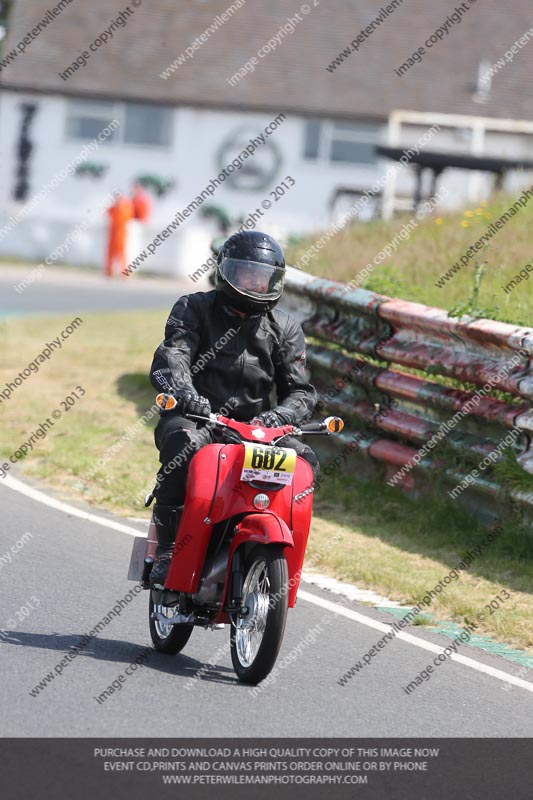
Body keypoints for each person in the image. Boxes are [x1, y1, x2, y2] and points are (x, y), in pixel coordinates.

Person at [148, 230, 319, 588]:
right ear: (226, 272)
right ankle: (167, 550)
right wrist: (187, 394)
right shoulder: (193, 308)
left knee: (304, 460)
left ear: (275, 280)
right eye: (246, 274)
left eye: (262, 276)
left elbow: (301, 392)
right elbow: (173, 357)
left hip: (258, 431)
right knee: (185, 444)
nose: (254, 283)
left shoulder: (285, 327)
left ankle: (277, 549)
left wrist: (279, 418)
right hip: (198, 418)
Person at [105, 193, 134, 277]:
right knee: (110, 254)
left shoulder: (126, 208)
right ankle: (109, 271)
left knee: (121, 255)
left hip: (121, 236)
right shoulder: (113, 208)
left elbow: (128, 217)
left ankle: (125, 272)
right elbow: (107, 212)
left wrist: (120, 207)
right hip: (112, 236)